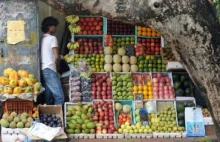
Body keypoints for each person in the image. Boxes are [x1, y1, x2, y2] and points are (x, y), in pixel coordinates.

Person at [40, 16, 64, 105]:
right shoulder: (52, 38)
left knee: (48, 97)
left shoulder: (42, 38)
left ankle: (48, 114)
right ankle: (58, 117)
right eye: (54, 26)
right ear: (50, 27)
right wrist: (58, 64)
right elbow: (57, 56)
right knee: (59, 97)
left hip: (44, 69)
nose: (56, 28)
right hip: (50, 69)